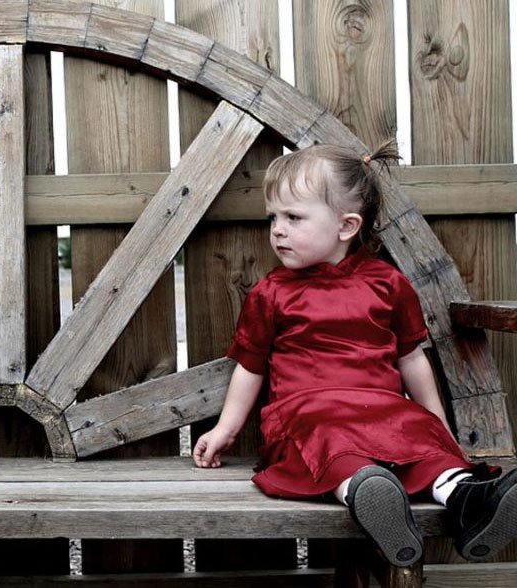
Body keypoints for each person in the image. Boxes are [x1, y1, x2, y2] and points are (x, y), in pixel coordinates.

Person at [192, 139, 516, 566]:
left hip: (381, 409)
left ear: (346, 226)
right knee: (333, 445)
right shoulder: (272, 293)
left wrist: (437, 424)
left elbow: (411, 359)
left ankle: (467, 499)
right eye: (273, 217)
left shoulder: (388, 285)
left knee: (418, 436)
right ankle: (367, 492)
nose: (277, 229)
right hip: (306, 415)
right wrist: (226, 430)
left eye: (293, 217)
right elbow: (250, 368)